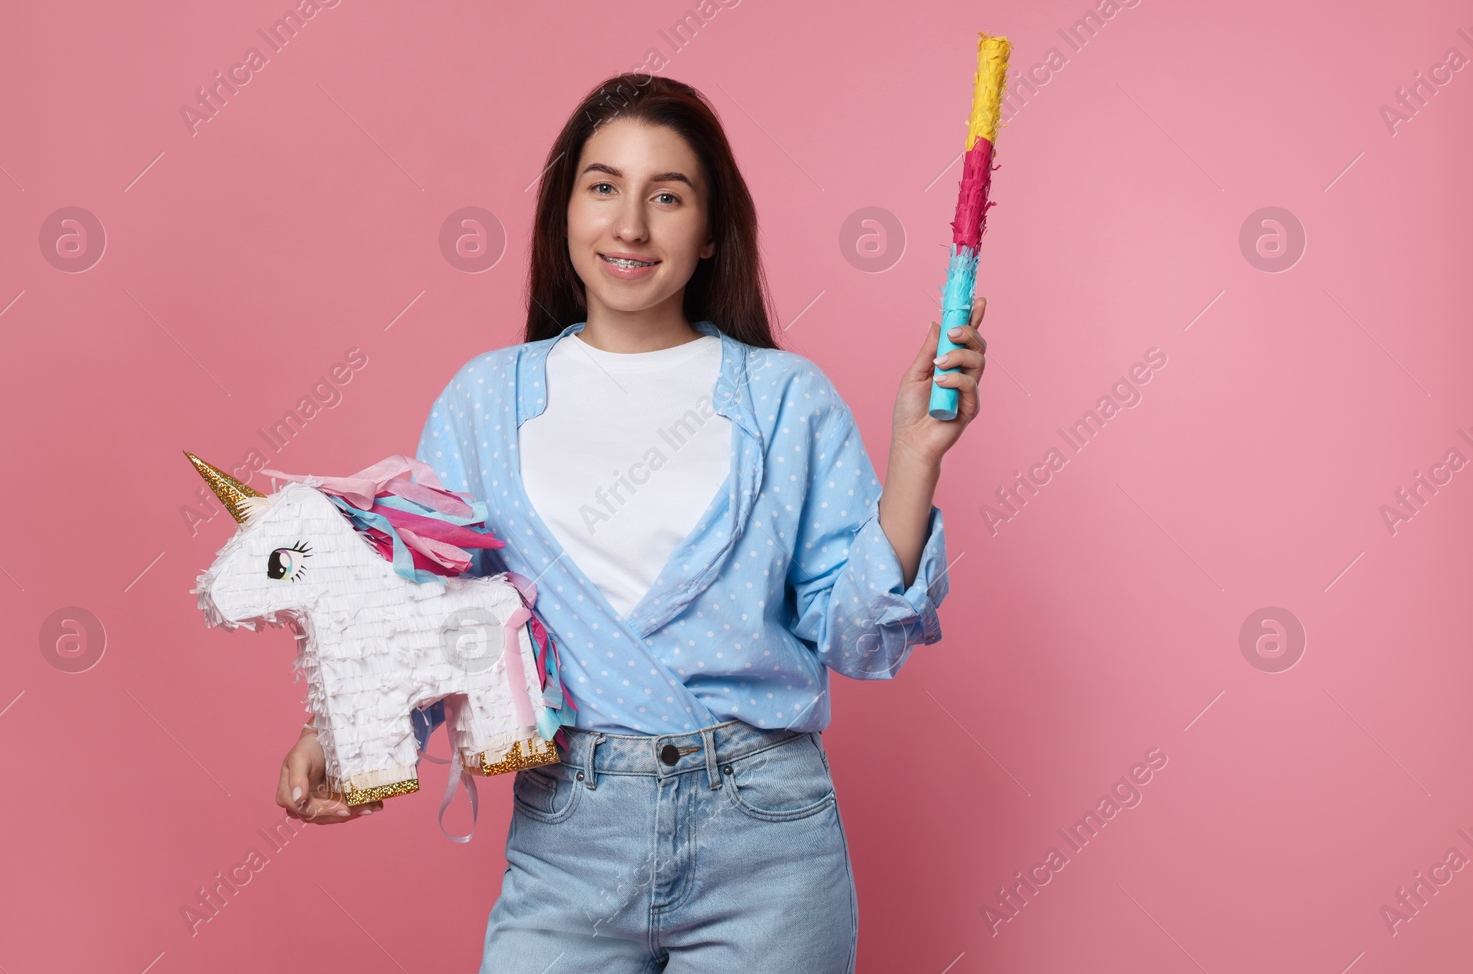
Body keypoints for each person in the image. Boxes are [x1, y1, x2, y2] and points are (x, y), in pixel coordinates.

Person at [274, 73, 987, 972]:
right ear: (564, 210)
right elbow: (433, 613)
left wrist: (915, 457)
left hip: (766, 845)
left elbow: (857, 637)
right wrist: (347, 734)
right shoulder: (483, 400)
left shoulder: (785, 400)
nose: (631, 225)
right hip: (569, 837)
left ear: (712, 230)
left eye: (669, 196)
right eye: (604, 186)